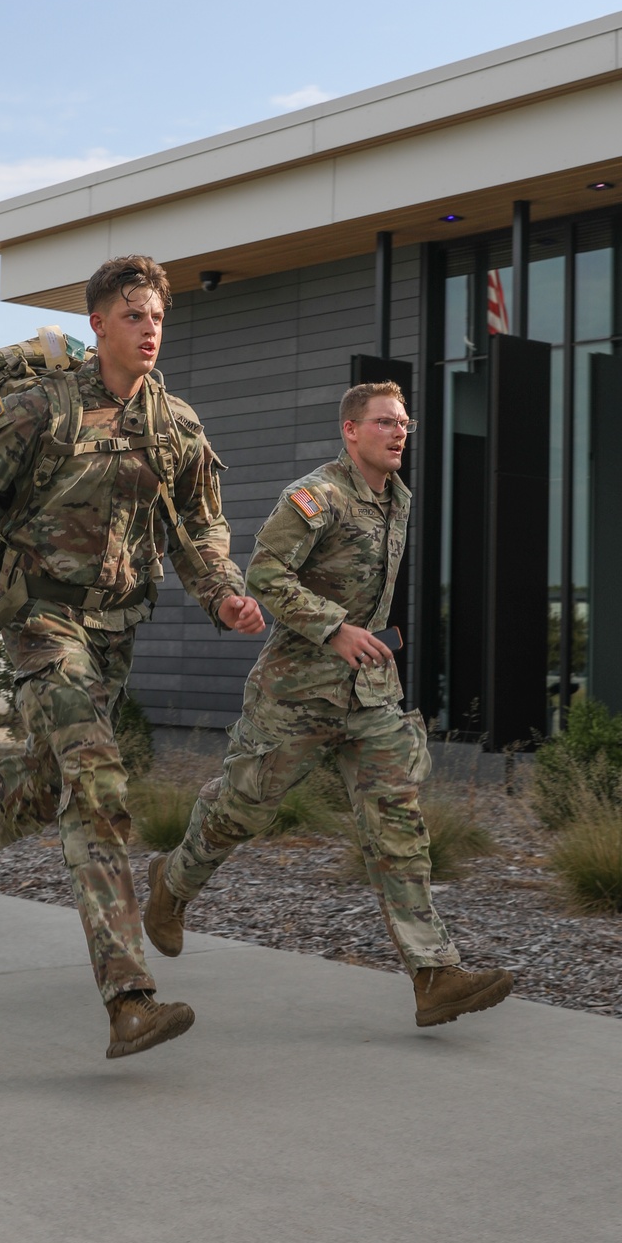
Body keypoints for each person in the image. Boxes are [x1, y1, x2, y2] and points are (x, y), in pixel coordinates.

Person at [0, 255, 264, 1058]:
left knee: (49, 783)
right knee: (98, 784)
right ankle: (129, 997)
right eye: (132, 315)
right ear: (97, 323)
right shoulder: (41, 411)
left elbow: (199, 530)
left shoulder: (176, 426)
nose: (149, 330)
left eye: (157, 317)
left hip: (113, 634)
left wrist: (224, 594)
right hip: (40, 620)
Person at [144, 381, 514, 1030]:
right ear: (350, 431)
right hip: (296, 695)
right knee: (240, 811)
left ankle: (434, 975)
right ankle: (171, 885)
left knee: (396, 824)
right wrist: (334, 628)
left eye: (404, 423)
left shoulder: (394, 499)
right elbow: (265, 577)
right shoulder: (316, 498)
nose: (399, 433)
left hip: (367, 698)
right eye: (384, 423)